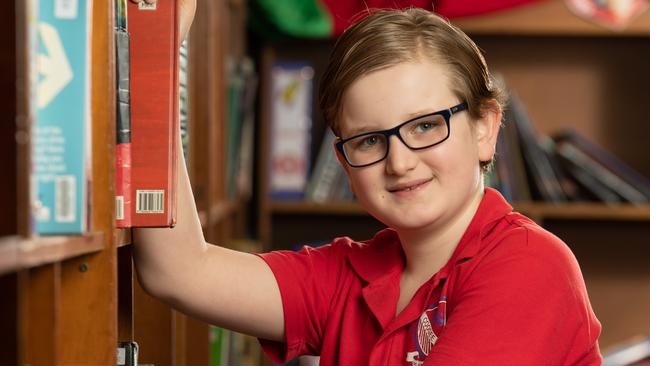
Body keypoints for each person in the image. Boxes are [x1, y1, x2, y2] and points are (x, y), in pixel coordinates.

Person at [131, 0, 602, 364]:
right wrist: (158, 58)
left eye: (425, 126)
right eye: (369, 140)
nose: (398, 161)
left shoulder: (530, 264)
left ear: (485, 128)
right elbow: (179, 271)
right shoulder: (350, 276)